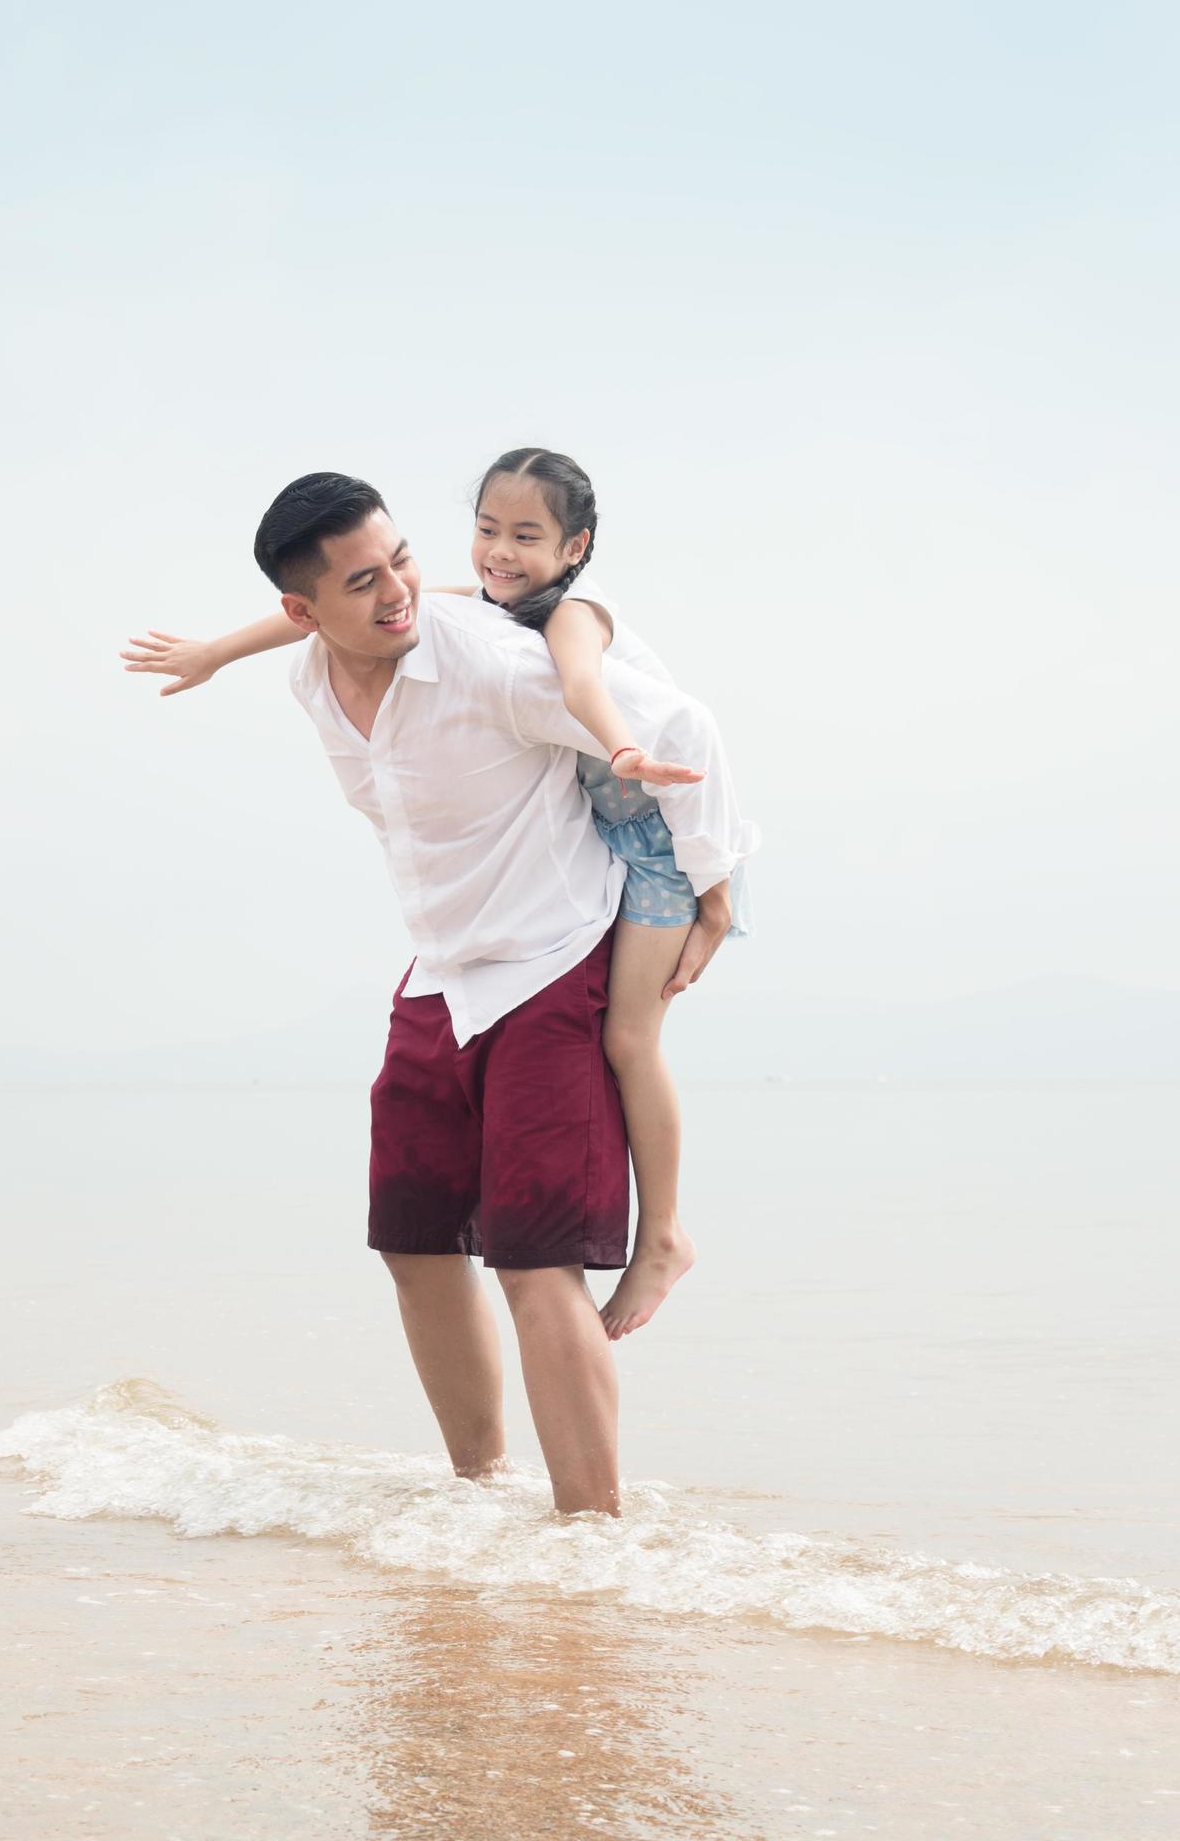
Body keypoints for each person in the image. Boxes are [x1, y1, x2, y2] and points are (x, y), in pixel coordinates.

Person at [123, 471, 755, 1515]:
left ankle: (589, 1539)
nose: (399, 591)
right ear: (303, 613)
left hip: (554, 964)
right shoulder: (312, 680)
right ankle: (477, 1497)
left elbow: (681, 731)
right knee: (412, 1240)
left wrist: (713, 892)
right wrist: (206, 652)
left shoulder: (499, 665)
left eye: (403, 559)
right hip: (439, 977)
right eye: (363, 581)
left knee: (534, 1262)